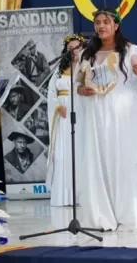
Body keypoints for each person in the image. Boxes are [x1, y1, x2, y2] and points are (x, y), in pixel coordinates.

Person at [75, 8, 137, 231]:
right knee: (102, 161)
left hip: (124, 114)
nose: (101, 26)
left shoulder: (130, 50)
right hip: (98, 113)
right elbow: (78, 84)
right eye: (97, 22)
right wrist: (82, 90)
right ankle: (102, 212)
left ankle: (132, 213)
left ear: (116, 26)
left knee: (124, 161)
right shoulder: (88, 53)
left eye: (106, 22)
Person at [45, 33, 85, 207]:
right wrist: (57, 107)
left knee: (80, 153)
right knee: (63, 155)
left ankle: (81, 197)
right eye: (71, 49)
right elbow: (50, 93)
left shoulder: (87, 67)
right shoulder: (59, 71)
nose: (75, 52)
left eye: (78, 48)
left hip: (81, 113)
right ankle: (63, 196)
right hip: (63, 116)